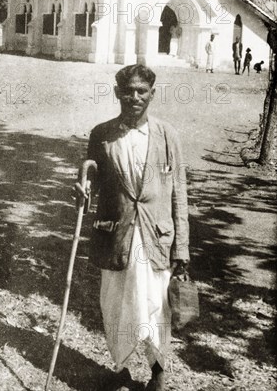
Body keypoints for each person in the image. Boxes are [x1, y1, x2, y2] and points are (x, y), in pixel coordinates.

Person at [76, 64, 189, 391]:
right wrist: (82, 187)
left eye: (142, 91)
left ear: (152, 94)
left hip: (156, 237)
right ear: (117, 93)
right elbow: (92, 181)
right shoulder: (102, 134)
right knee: (115, 305)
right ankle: (121, 367)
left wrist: (181, 250)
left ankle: (157, 371)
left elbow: (179, 194)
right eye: (128, 91)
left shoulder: (168, 135)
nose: (135, 97)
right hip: (116, 237)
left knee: (157, 307)